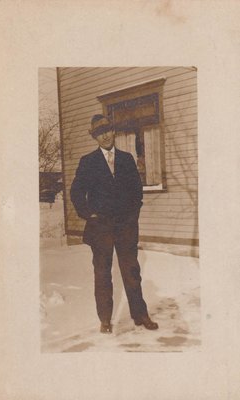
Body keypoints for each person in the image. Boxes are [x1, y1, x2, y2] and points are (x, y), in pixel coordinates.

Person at [70, 114, 158, 333]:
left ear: (113, 131)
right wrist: (88, 214)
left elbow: (137, 193)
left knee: (131, 272)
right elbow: (76, 192)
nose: (105, 136)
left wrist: (132, 216)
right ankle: (105, 320)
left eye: (108, 130)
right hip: (100, 229)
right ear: (95, 138)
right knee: (102, 274)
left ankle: (140, 314)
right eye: (100, 133)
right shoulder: (88, 162)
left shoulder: (127, 159)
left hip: (126, 227)